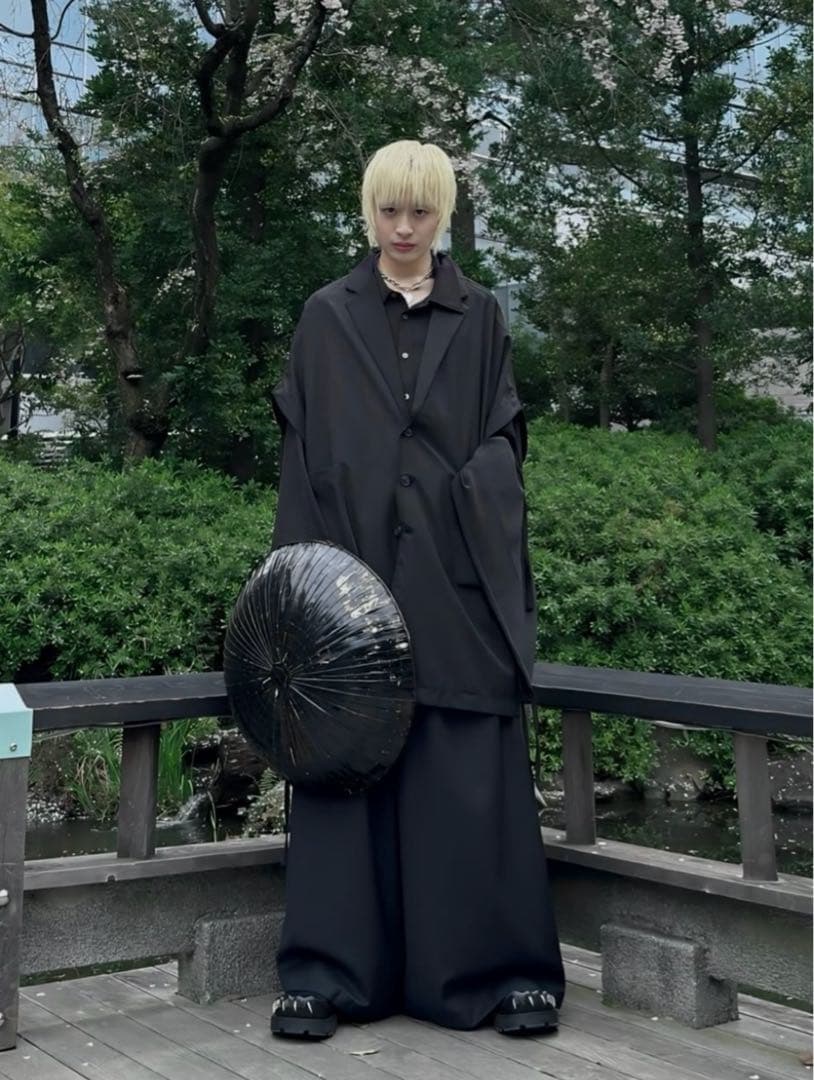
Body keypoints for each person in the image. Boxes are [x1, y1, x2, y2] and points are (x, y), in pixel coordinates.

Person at [268, 139, 565, 1040]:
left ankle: (496, 971)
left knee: (464, 774)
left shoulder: (481, 317)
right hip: (350, 579)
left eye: (420, 212)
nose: (404, 229)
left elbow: (505, 439)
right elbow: (302, 456)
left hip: (454, 575)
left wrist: (462, 498)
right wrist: (305, 590)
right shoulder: (327, 315)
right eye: (389, 211)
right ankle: (328, 973)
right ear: (370, 212)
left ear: (443, 215)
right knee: (343, 769)